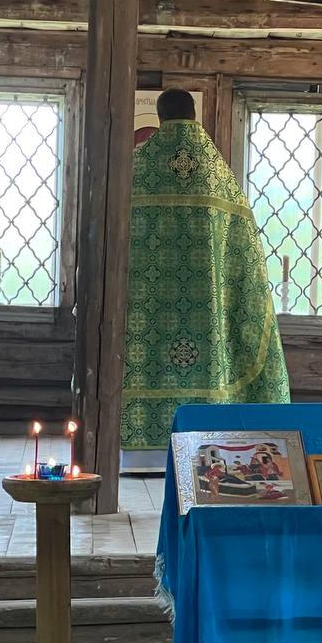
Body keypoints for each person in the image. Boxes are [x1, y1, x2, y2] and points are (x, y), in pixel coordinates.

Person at [121, 89, 289, 465]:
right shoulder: (218, 176)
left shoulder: (135, 172)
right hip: (207, 318)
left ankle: (139, 458)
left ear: (160, 117)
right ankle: (210, 451)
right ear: (194, 114)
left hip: (146, 313)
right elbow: (244, 252)